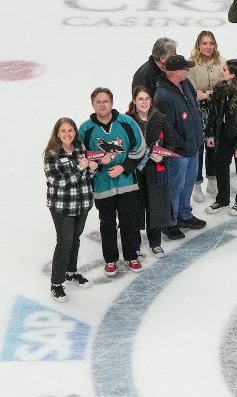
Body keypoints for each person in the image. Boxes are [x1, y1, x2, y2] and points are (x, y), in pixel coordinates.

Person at [78, 87, 147, 276]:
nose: (102, 105)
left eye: (105, 101)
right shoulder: (85, 129)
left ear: (112, 102)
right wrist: (99, 164)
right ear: (93, 104)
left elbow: (140, 147)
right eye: (98, 102)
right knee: (106, 224)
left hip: (127, 183)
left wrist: (124, 167)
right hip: (102, 186)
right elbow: (81, 156)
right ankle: (110, 259)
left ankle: (131, 255)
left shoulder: (126, 122)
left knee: (129, 221)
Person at [43, 118, 97, 301]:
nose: (67, 134)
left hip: (82, 204)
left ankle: (71, 273)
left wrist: (92, 169)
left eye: (70, 130)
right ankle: (56, 283)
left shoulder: (80, 148)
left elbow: (86, 176)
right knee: (65, 242)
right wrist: (80, 168)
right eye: (63, 131)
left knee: (75, 239)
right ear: (57, 134)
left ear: (75, 132)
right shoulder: (51, 154)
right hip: (62, 207)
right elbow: (59, 183)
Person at [154, 55, 207, 239]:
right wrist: (182, 143)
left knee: (188, 183)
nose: (188, 70)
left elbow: (194, 109)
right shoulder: (163, 95)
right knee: (175, 187)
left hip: (193, 146)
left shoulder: (185, 84)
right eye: (186, 68)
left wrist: (198, 137)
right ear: (177, 72)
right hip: (178, 152)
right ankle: (169, 222)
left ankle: (184, 214)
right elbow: (167, 127)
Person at [204, 60, 237, 216]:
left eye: (225, 70)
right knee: (221, 167)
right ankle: (222, 200)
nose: (221, 71)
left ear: (233, 74)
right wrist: (211, 133)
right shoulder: (219, 89)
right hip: (223, 136)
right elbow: (213, 115)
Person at [128, 87, 172, 256]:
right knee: (135, 208)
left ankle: (155, 242)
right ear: (134, 101)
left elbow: (171, 143)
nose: (144, 102)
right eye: (140, 99)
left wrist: (162, 157)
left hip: (155, 170)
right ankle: (135, 244)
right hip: (134, 171)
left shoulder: (161, 118)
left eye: (147, 98)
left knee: (155, 207)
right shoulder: (127, 120)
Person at [187, 31, 223, 201]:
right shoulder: (191, 64)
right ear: (198, 45)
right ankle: (196, 184)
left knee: (214, 146)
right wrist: (211, 93)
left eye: (211, 43)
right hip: (197, 110)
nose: (208, 47)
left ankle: (213, 180)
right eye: (205, 43)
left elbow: (225, 87)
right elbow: (192, 93)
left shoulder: (222, 62)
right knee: (198, 148)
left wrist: (206, 93)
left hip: (217, 109)